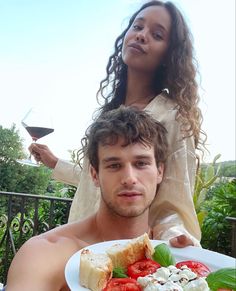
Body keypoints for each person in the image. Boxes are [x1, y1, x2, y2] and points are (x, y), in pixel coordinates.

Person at [30, 0, 206, 246]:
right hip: (79, 247)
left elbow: (174, 204)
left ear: (170, 54)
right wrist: (54, 163)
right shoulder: (109, 113)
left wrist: (175, 237)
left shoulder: (172, 117)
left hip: (121, 258)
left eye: (156, 34)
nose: (142, 36)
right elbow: (96, 178)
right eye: (137, 27)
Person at [7, 106, 193, 291]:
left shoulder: (175, 257)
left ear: (159, 171)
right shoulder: (46, 253)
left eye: (141, 163)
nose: (129, 178)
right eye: (114, 165)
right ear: (94, 174)